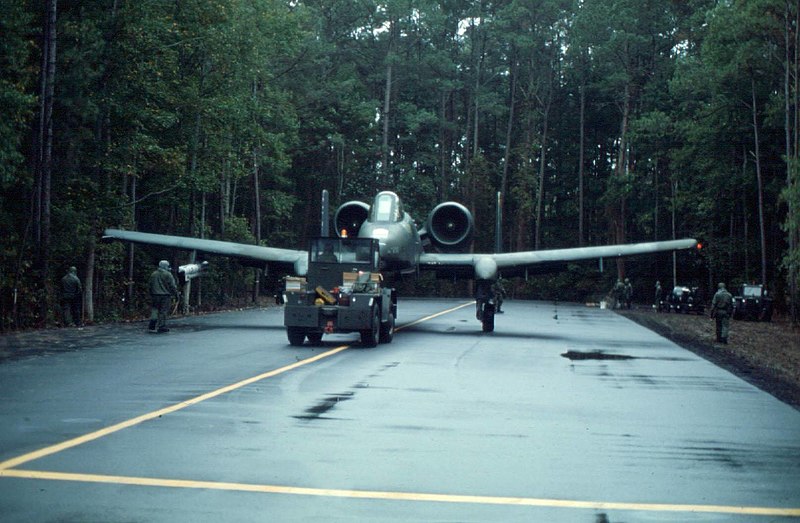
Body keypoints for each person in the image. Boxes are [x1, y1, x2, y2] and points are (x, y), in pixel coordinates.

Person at [148, 260, 179, 333]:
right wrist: (176, 295)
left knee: (155, 310)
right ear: (165, 266)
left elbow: (150, 285)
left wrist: (151, 293)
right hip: (165, 296)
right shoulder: (168, 274)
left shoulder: (153, 274)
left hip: (155, 295)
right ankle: (161, 326)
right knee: (163, 311)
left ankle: (152, 325)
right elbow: (172, 286)